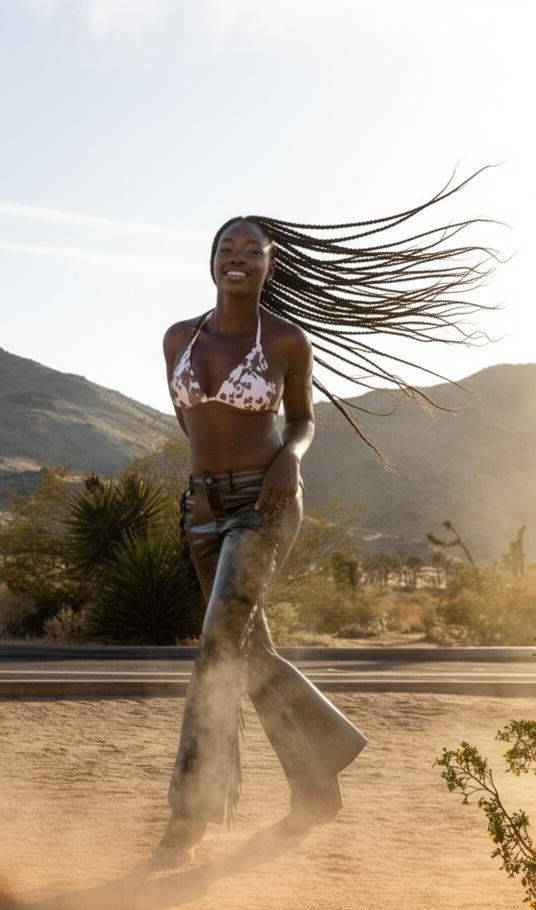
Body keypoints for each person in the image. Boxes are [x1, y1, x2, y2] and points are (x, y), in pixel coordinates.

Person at [148, 169, 503, 869]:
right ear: (212, 259)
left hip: (266, 501)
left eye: (253, 249)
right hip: (202, 510)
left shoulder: (284, 341)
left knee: (218, 648)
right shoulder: (177, 339)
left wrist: (289, 459)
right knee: (246, 652)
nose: (239, 258)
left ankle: (184, 825)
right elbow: (190, 421)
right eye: (228, 247)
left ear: (269, 265)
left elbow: (304, 421)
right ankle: (318, 778)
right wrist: (200, 492)